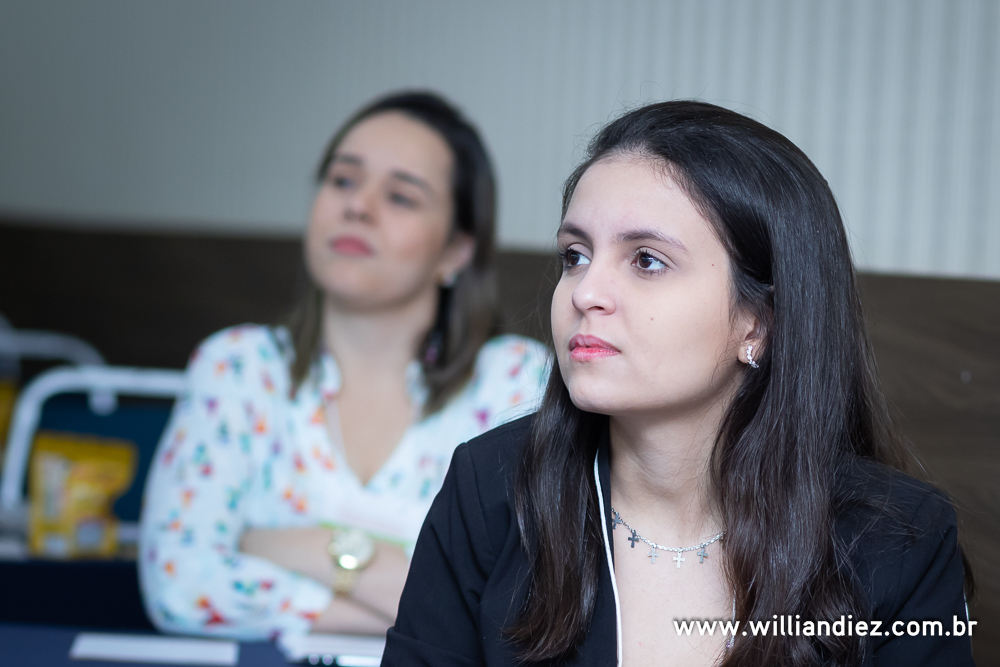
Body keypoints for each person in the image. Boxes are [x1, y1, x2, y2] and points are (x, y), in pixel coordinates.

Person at [384, 101, 976, 666]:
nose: (585, 293)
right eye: (575, 255)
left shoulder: (899, 541)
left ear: (760, 323)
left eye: (646, 260)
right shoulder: (490, 490)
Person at [138, 92, 550, 640]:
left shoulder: (513, 380)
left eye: (401, 197)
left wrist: (299, 546)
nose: (357, 206)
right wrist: (420, 599)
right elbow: (179, 587)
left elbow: (520, 611)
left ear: (455, 252)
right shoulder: (239, 367)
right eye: (342, 180)